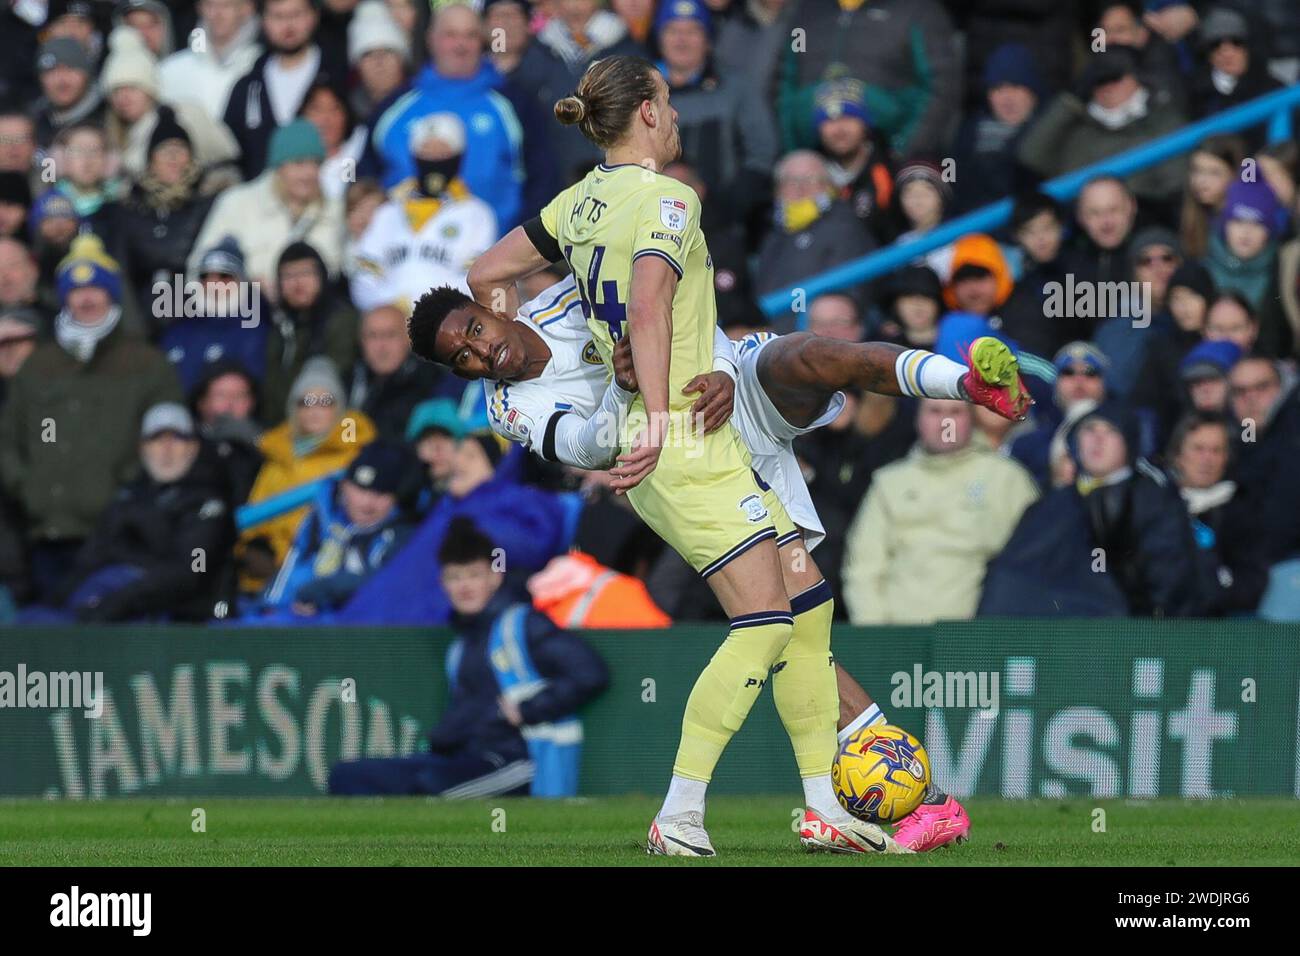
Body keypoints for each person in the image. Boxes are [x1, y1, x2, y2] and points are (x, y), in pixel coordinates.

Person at [328, 517, 610, 797]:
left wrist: (526, 710)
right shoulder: (460, 645)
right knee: (348, 776)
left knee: (430, 787)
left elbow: (589, 672)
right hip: (464, 757)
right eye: (455, 577)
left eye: (474, 575)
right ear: (443, 583)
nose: (464, 586)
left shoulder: (522, 623)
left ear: (495, 576)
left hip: (515, 760)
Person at [0, 235, 182, 598]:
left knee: (104, 644)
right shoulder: (39, 364)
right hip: (45, 532)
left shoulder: (147, 364)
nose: (86, 299)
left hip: (118, 536)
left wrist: (126, 492)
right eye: (77, 290)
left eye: (96, 289)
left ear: (111, 294)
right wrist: (28, 488)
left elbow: (169, 441)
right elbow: (9, 441)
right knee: (47, 643)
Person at [30, 403, 234, 623]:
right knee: (32, 622)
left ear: (193, 447)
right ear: (142, 447)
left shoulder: (209, 504)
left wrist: (115, 603)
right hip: (116, 615)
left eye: (177, 438)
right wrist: (59, 605)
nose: (166, 449)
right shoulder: (127, 498)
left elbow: (191, 572)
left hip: (185, 622)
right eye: (156, 439)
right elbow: (90, 560)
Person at [842, 399, 1039, 624]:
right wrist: (877, 637)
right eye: (935, 411)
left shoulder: (1008, 479)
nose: (945, 422)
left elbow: (1033, 563)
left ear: (972, 419)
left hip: (983, 638)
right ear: (918, 419)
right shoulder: (889, 482)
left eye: (955, 412)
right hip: (899, 635)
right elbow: (863, 569)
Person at [239, 357, 376, 590]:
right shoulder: (277, 457)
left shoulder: (353, 456)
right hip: (268, 576)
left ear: (339, 407)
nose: (314, 410)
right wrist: (254, 548)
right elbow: (254, 518)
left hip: (324, 568)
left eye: (325, 401)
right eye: (306, 401)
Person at [349, 112, 497, 314]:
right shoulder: (388, 211)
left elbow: (476, 279)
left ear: (459, 156)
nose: (434, 159)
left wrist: (423, 309)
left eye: (443, 151)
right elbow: (364, 274)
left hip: (448, 322)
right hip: (390, 325)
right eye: (427, 150)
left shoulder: (477, 214)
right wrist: (394, 307)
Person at [254, 438, 418, 617]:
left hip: (354, 632)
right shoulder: (322, 518)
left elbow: (385, 582)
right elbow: (292, 569)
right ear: (344, 486)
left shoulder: (399, 535)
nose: (367, 503)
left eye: (380, 494)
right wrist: (273, 608)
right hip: (296, 622)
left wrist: (323, 592)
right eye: (360, 490)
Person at [188, 119, 346, 288]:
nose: (308, 173)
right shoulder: (237, 204)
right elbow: (199, 270)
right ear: (278, 167)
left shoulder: (333, 210)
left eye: (315, 163)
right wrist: (247, 290)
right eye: (299, 163)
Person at [223, 0, 348, 178]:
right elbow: (232, 151)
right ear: (263, 21)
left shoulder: (339, 75)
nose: (288, 25)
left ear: (314, 16)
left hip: (329, 195)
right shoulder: (247, 87)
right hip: (261, 200)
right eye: (278, 16)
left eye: (296, 14)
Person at [158, 0, 263, 124]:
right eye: (210, 5)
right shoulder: (171, 69)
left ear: (247, 9)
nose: (217, 14)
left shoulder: (261, 66)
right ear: (199, 8)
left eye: (226, 5)